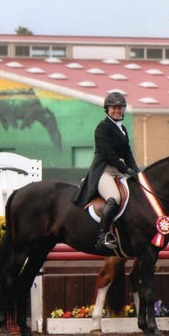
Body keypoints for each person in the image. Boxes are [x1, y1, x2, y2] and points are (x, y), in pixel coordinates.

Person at [72, 92, 139, 250]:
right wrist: (127, 169)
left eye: (120, 107)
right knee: (114, 197)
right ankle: (102, 236)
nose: (117, 110)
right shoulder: (102, 128)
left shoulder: (122, 128)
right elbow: (109, 155)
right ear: (107, 109)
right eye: (114, 108)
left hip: (120, 172)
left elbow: (128, 152)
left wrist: (136, 170)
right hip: (105, 171)